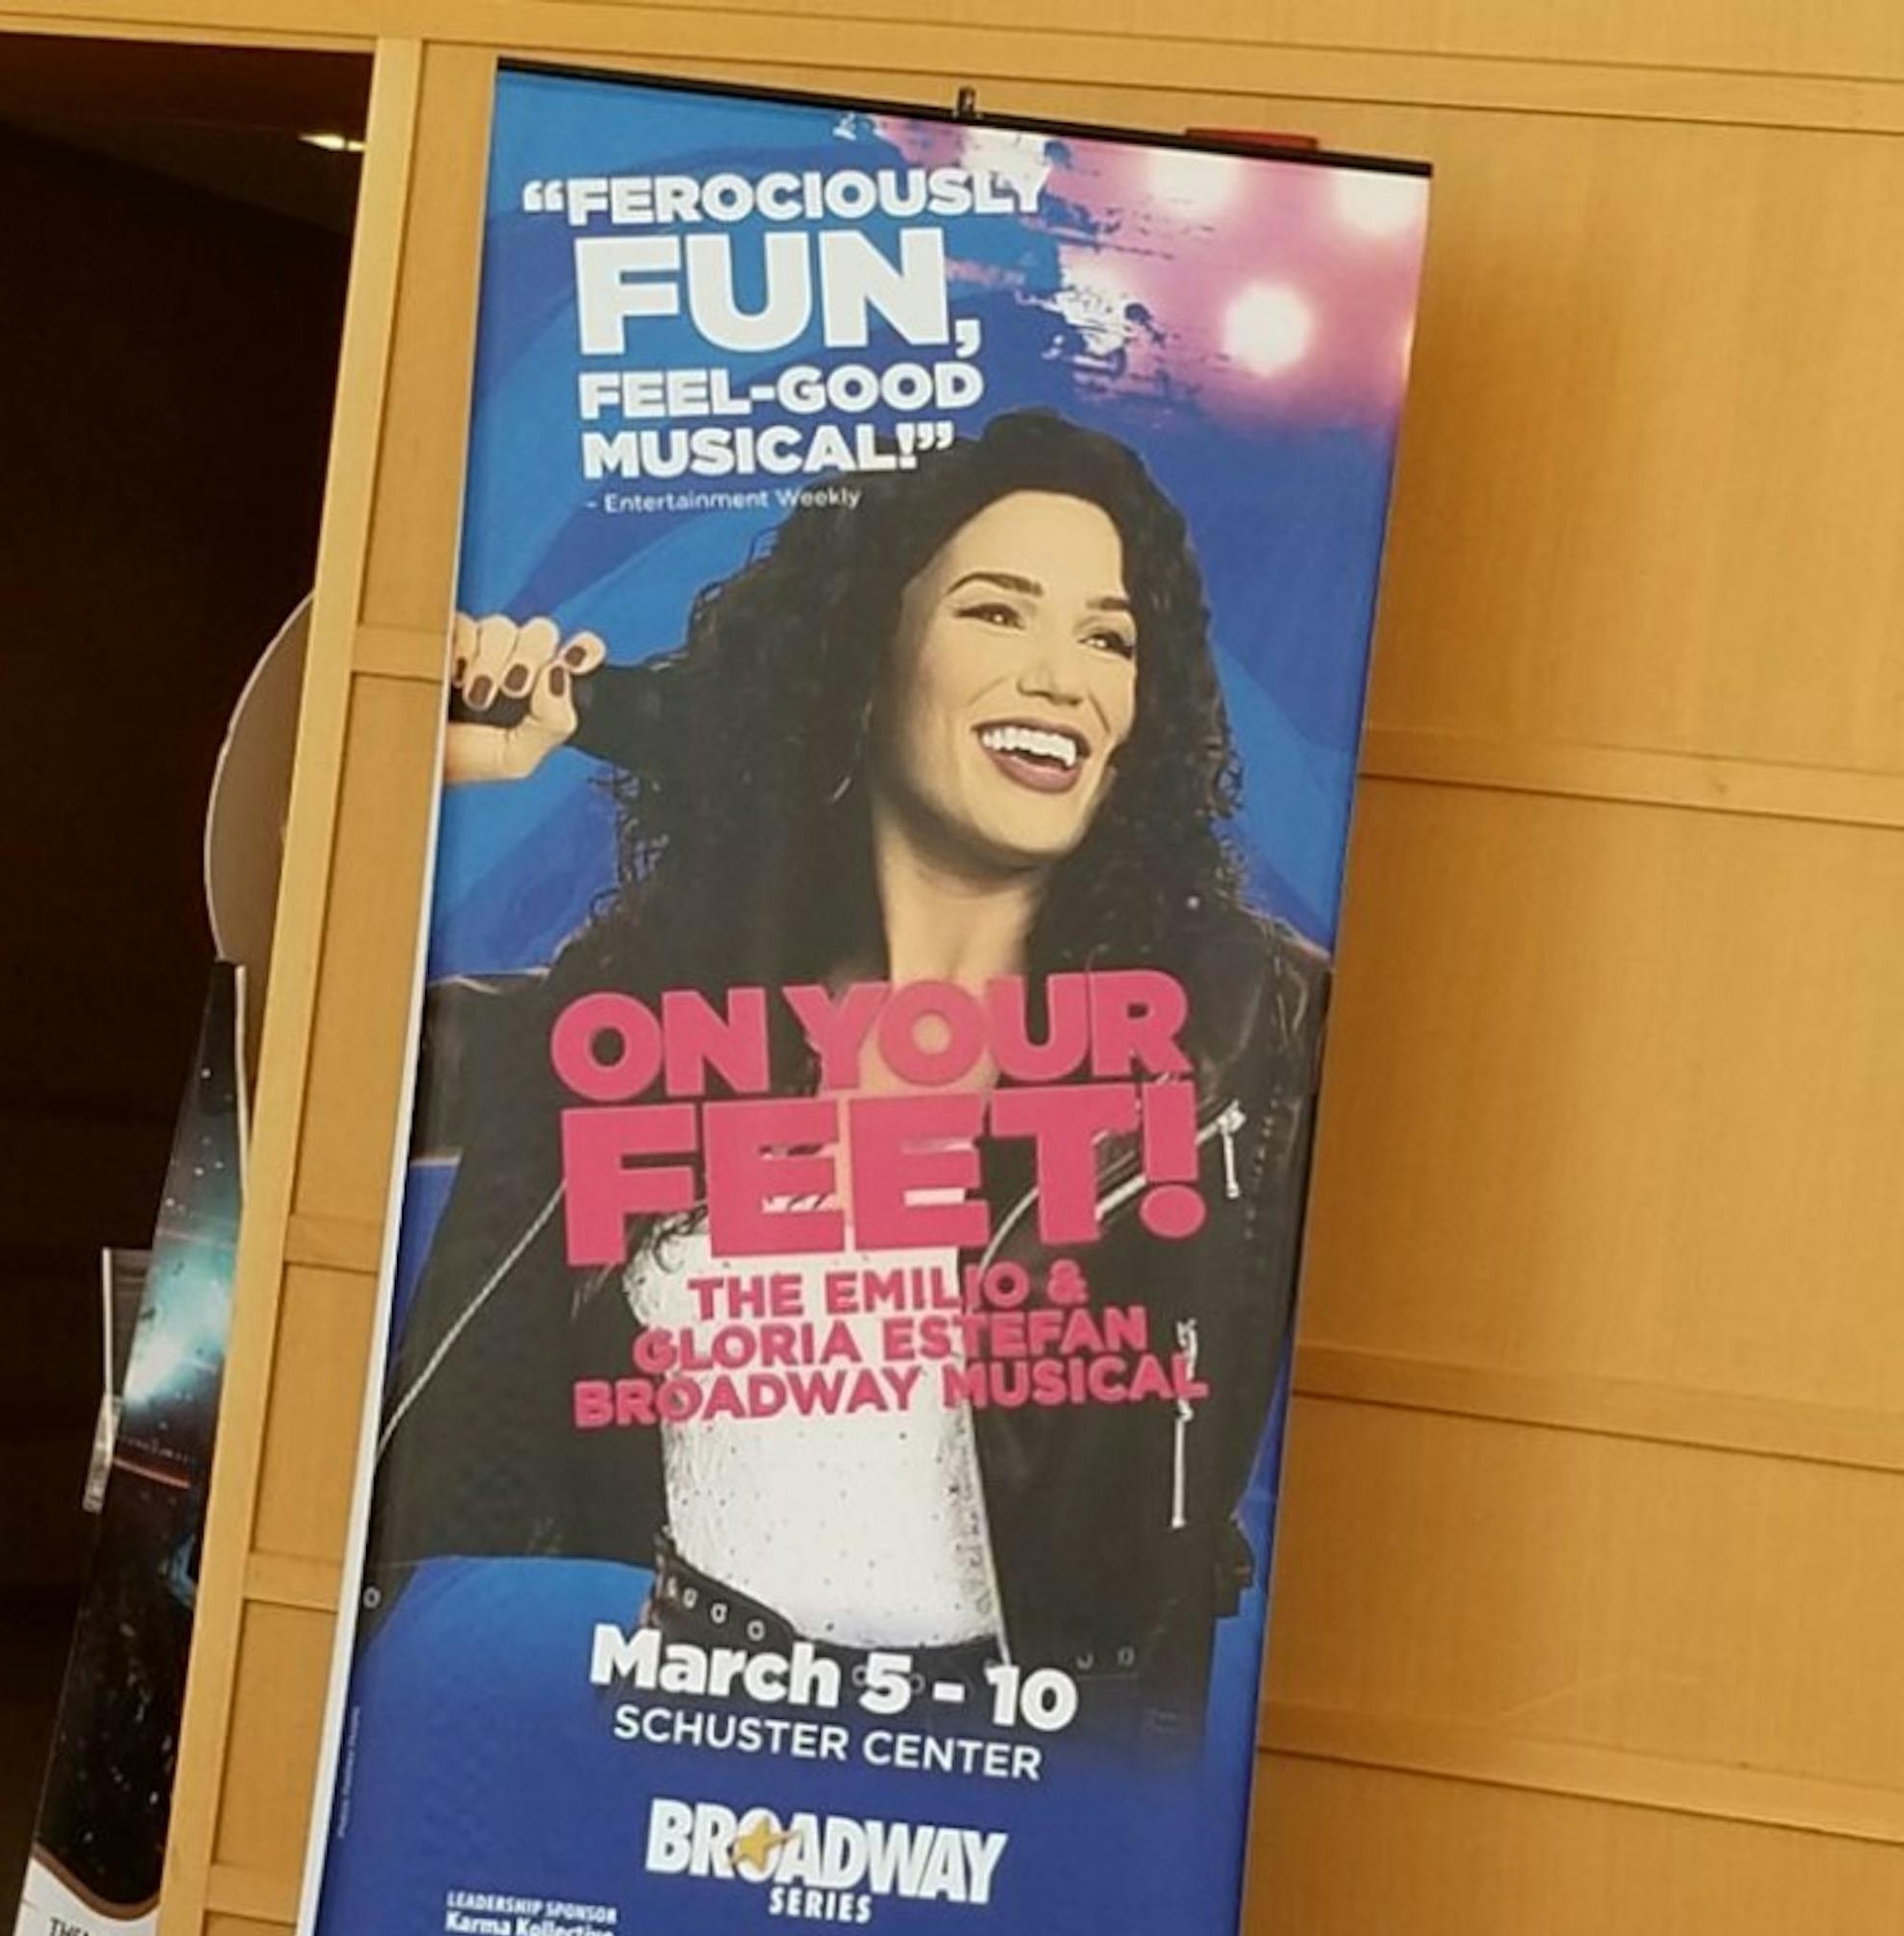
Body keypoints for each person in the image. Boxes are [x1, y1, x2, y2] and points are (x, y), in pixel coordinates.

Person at [369, 409, 1327, 1740]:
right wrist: (422, 771)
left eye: (1109, 638)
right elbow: (322, 1069)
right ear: (870, 658)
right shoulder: (648, 1015)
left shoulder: (1239, 1023)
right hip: (672, 1729)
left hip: (1042, 1768)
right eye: (997, 612)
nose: (1064, 678)